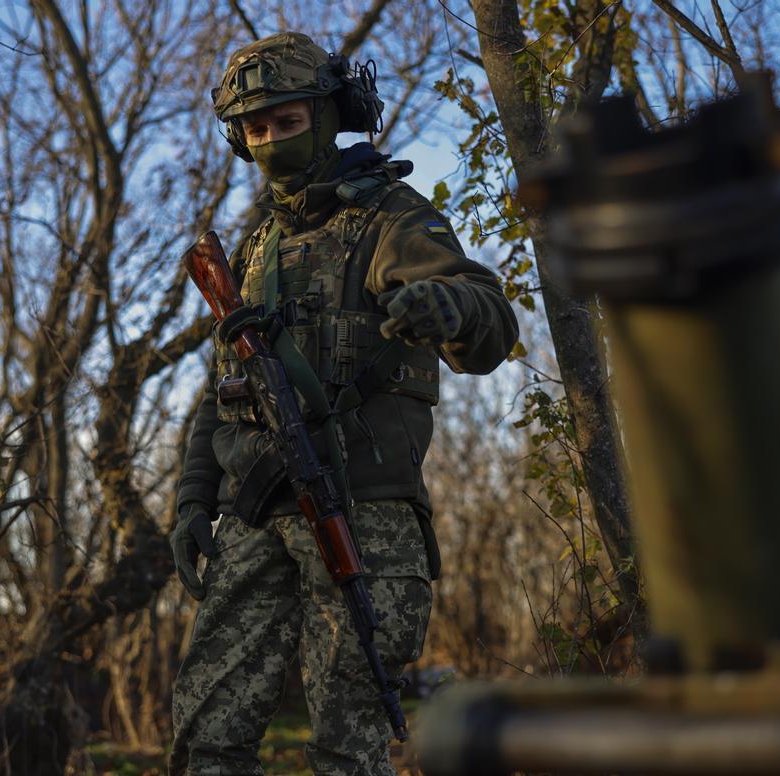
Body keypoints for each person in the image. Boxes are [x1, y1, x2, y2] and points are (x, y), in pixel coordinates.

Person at [169, 31, 519, 776]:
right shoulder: (255, 245)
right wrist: (195, 500)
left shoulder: (391, 217)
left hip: (365, 516)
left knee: (348, 744)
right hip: (256, 513)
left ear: (329, 116)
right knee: (206, 736)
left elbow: (488, 321)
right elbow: (226, 390)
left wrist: (443, 306)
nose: (270, 142)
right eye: (255, 129)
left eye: (287, 123)